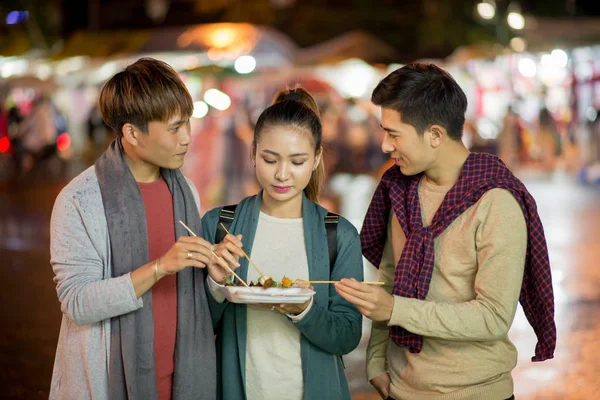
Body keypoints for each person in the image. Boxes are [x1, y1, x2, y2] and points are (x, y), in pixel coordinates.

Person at [335, 63, 556, 400]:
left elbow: (493, 317)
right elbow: (390, 278)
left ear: (435, 135)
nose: (384, 146)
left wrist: (395, 309)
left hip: (477, 392)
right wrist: (377, 360)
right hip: (401, 388)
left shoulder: (495, 202)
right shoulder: (401, 190)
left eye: (394, 134)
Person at [49, 58, 242, 400]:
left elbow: (194, 305)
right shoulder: (80, 200)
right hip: (112, 384)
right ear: (132, 133)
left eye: (187, 124)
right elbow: (78, 303)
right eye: (173, 128)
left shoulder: (185, 192)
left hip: (180, 381)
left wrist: (215, 276)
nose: (186, 138)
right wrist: (159, 267)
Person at [201, 87, 364, 400]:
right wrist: (215, 285)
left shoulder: (338, 235)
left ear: (317, 158)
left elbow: (347, 336)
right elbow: (194, 329)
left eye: (297, 161)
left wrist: (305, 309)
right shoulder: (220, 226)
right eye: (269, 159)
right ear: (253, 153)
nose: (282, 174)